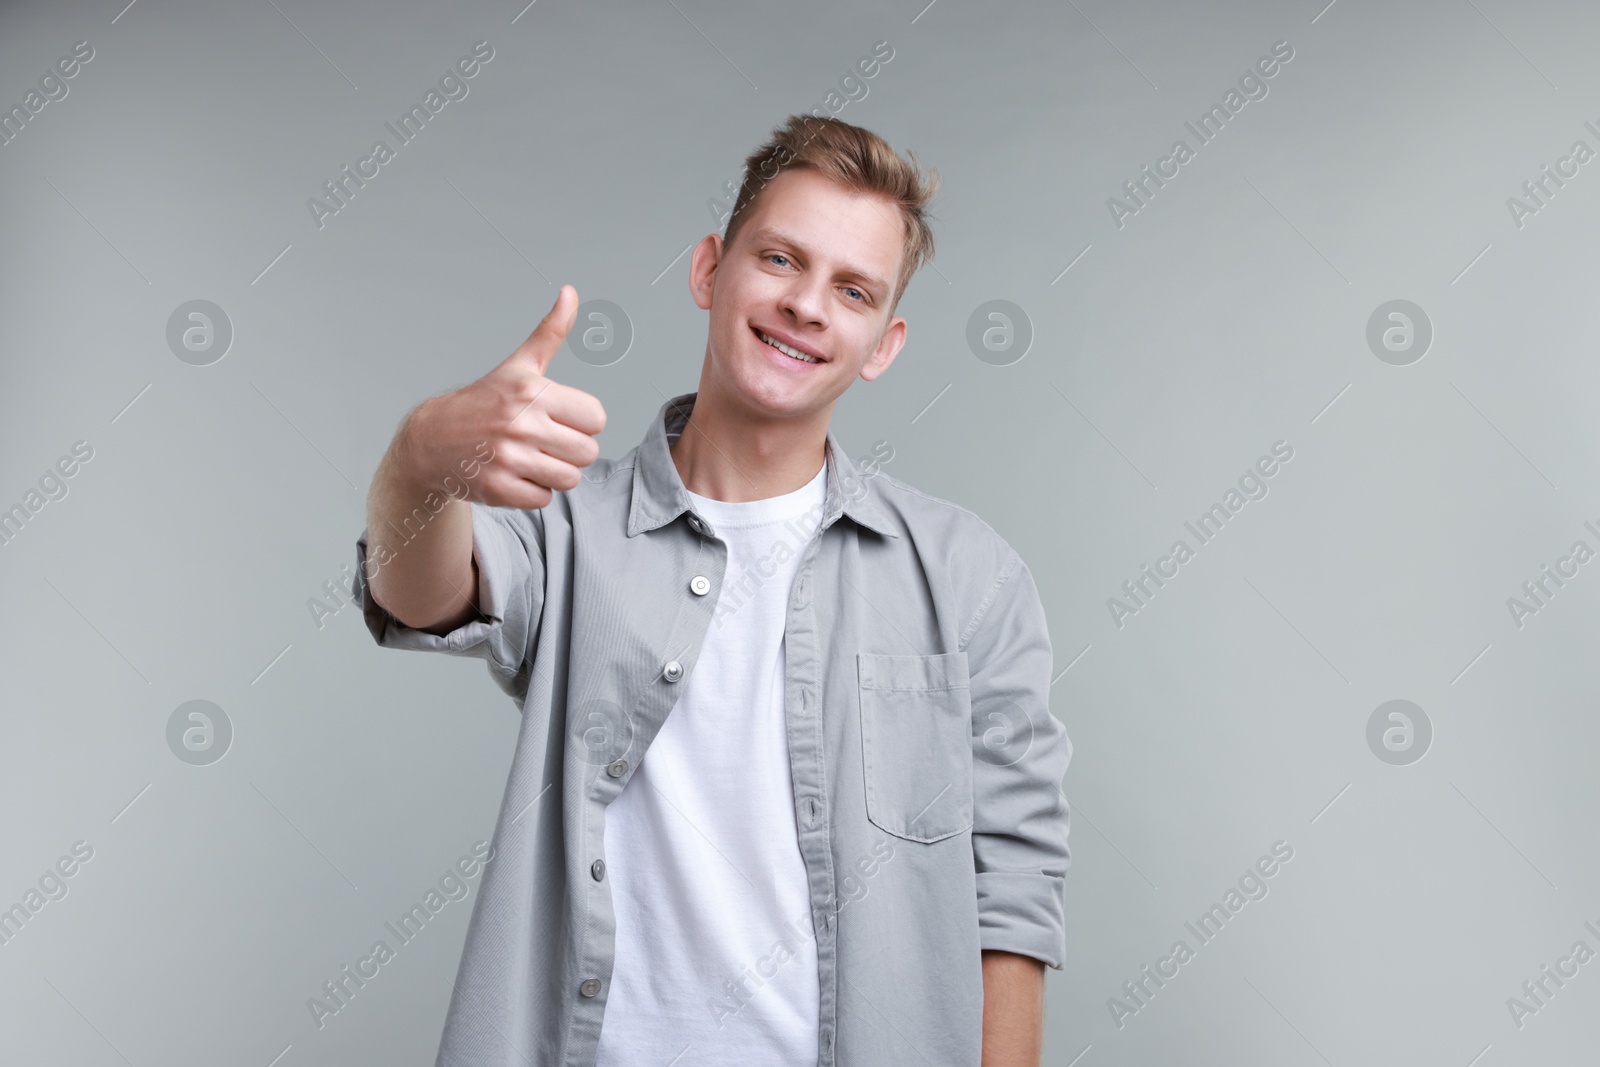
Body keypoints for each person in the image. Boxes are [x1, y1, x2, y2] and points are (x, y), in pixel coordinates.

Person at [354, 113, 1072, 1067]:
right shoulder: (567, 527)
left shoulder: (970, 577)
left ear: (883, 342)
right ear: (708, 271)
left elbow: (1012, 889)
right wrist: (421, 461)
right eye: (779, 259)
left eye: (851, 289)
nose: (808, 305)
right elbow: (417, 593)